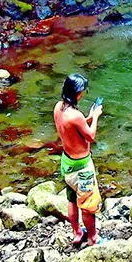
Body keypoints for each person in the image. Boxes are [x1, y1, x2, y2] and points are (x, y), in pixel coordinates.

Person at [53, 74, 104, 247]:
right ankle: (93, 238)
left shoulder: (58, 107)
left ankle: (77, 232)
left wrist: (87, 118)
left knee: (72, 199)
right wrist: (96, 116)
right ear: (77, 93)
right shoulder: (75, 115)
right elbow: (90, 136)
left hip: (67, 163)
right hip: (81, 168)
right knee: (88, 204)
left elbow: (72, 129)